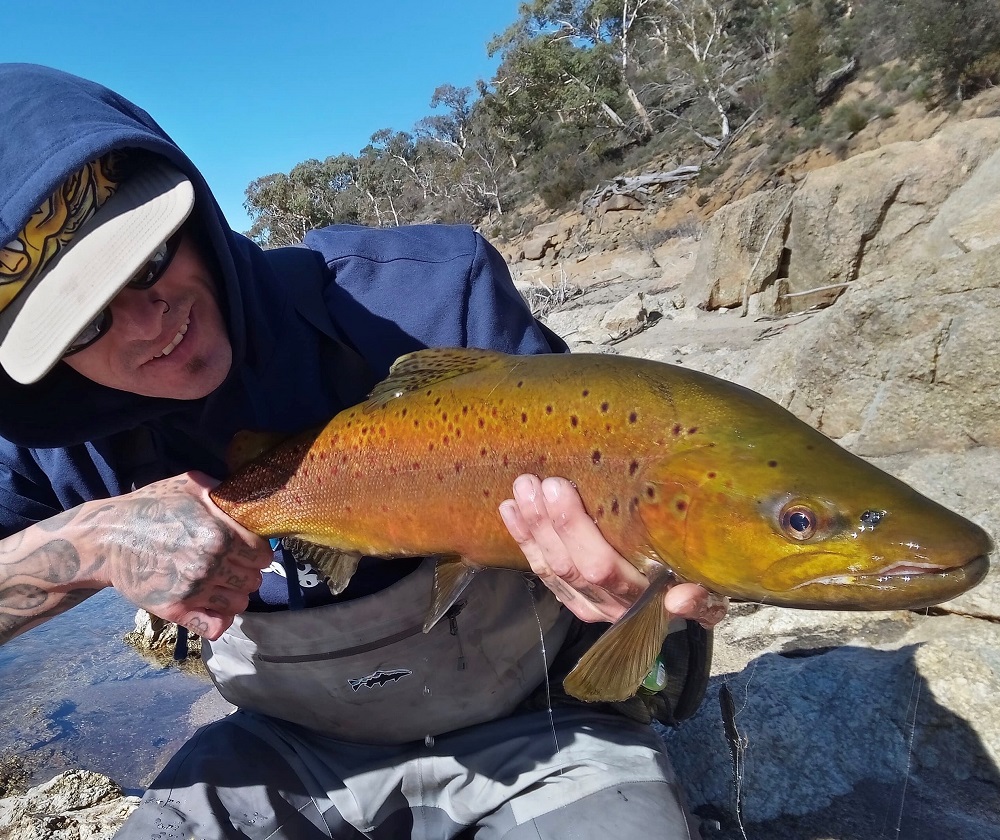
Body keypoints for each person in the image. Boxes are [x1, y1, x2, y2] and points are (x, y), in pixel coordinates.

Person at [0, 64, 726, 839]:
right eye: (80, 327)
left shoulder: (429, 303)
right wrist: (89, 544)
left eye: (145, 262)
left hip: (542, 729)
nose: (146, 325)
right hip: (281, 756)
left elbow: (644, 533)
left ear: (190, 209)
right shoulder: (50, 442)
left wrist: (655, 615)